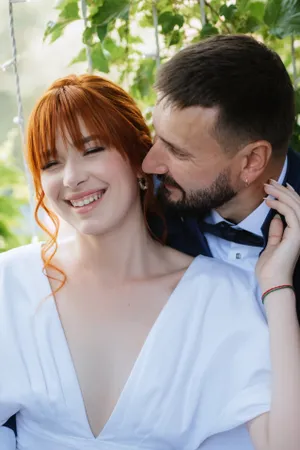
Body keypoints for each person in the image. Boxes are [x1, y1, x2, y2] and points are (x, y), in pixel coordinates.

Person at [0, 74, 300, 450]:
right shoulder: (11, 283)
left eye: (92, 150)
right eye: (51, 163)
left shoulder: (221, 296)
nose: (73, 178)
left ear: (140, 161)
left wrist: (276, 285)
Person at [142, 34, 300, 324]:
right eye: (157, 136)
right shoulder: (142, 210)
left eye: (177, 151)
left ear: (251, 162)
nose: (149, 164)